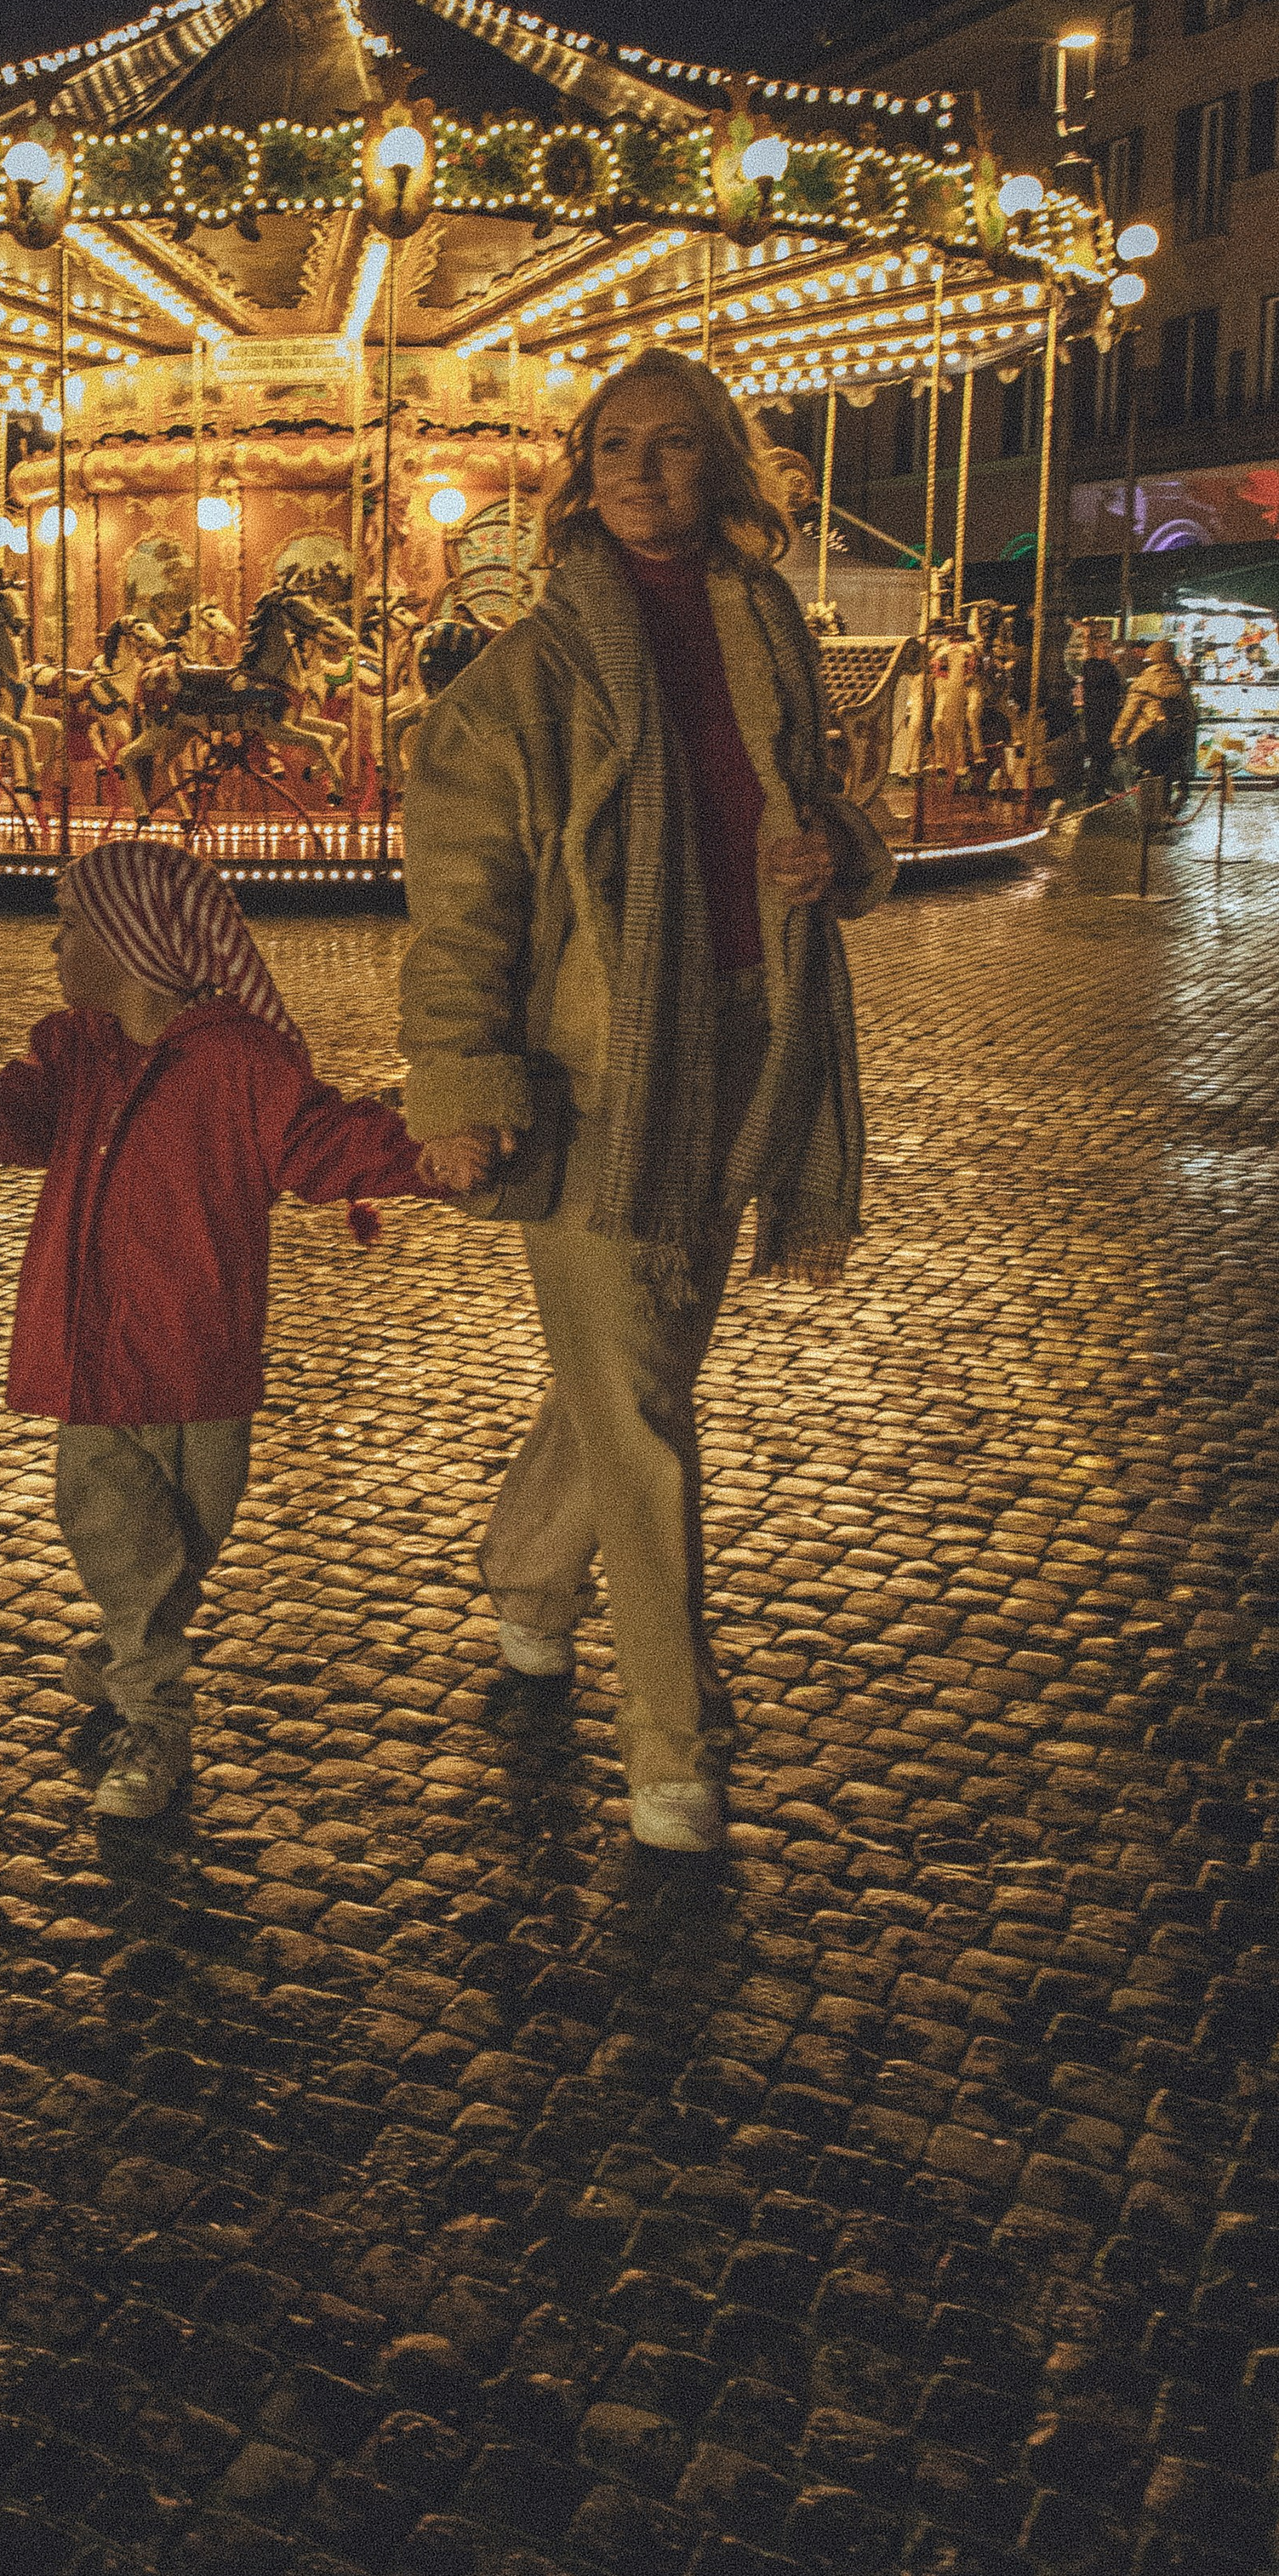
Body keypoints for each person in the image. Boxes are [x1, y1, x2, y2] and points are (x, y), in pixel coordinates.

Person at [400, 348, 894, 1854]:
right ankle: (672, 1744)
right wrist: (462, 1082)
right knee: (645, 1412)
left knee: (637, 1382)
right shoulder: (525, 685)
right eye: (615, 447)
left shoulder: (767, 633)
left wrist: (842, 855)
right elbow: (463, 903)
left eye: (675, 447)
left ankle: (526, 1567)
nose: (640, 471)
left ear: (725, 469)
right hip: (601, 1074)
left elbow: (819, 803)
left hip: (751, 1042)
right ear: (579, 477)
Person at [0, 841, 463, 1819]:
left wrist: (430, 1150)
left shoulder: (241, 1065)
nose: (53, 944)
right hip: (93, 1356)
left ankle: (128, 1644)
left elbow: (323, 1144)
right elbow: (10, 1125)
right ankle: (154, 1716)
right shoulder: (74, 1055)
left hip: (200, 1358)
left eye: (69, 925)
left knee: (187, 1539)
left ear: (131, 941)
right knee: (114, 1528)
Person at [1114, 638, 1194, 821]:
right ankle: (1164, 811)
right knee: (1165, 774)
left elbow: (1129, 713)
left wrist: (1117, 738)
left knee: (1149, 773)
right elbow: (1190, 712)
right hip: (1174, 736)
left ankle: (1149, 816)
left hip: (1150, 735)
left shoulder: (1145, 680)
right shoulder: (1178, 678)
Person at [1076, 637, 1124, 805]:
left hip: (1102, 715)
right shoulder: (1098, 667)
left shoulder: (1095, 667)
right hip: (1100, 716)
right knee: (1101, 754)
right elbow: (1111, 684)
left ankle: (1096, 789)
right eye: (1105, 647)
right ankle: (1093, 791)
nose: (1109, 650)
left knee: (1103, 755)